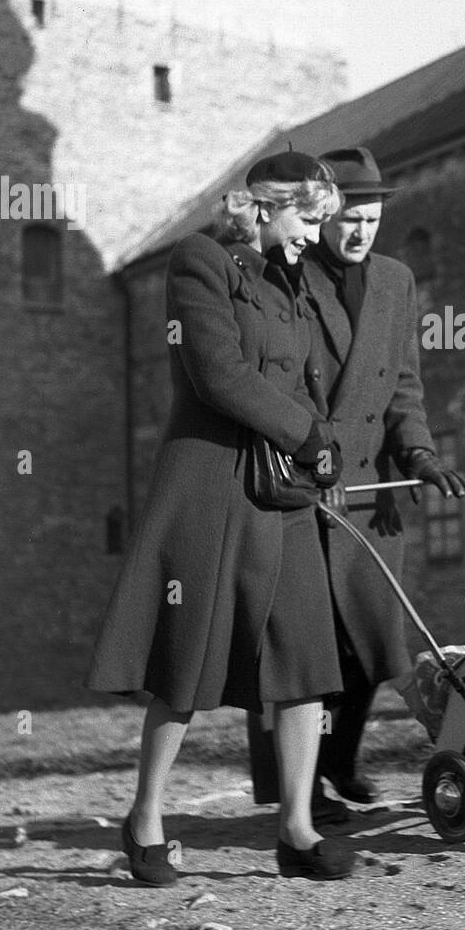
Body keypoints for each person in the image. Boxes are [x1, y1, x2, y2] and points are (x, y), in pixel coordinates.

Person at [86, 150, 357, 883]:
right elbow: (216, 373)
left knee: (304, 656)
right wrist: (304, 434)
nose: (313, 236)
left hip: (282, 487)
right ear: (269, 204)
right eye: (308, 218)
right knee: (188, 659)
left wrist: (324, 446)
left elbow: (306, 382)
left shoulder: (289, 283)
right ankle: (145, 815)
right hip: (210, 480)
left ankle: (296, 829)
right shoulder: (200, 261)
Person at [245, 145, 465, 815]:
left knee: (373, 640)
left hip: (372, 490)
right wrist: (312, 457)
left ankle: (339, 763)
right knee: (306, 647)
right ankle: (298, 787)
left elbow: (403, 385)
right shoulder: (285, 275)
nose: (360, 232)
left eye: (371, 219)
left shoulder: (397, 282)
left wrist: (421, 455)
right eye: (349, 219)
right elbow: (273, 382)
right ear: (323, 213)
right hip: (304, 485)